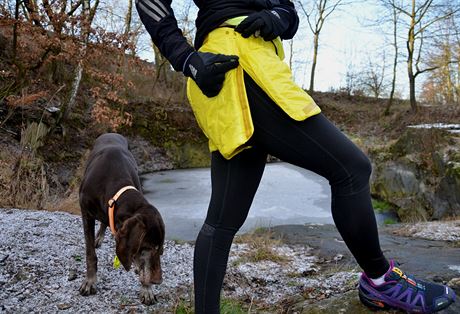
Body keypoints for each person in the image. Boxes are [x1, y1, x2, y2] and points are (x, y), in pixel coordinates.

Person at [135, 1, 456, 313]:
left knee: (222, 221)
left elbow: (289, 13)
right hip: (234, 67)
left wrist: (276, 17)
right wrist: (186, 58)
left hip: (261, 66)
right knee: (352, 168)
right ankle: (381, 281)